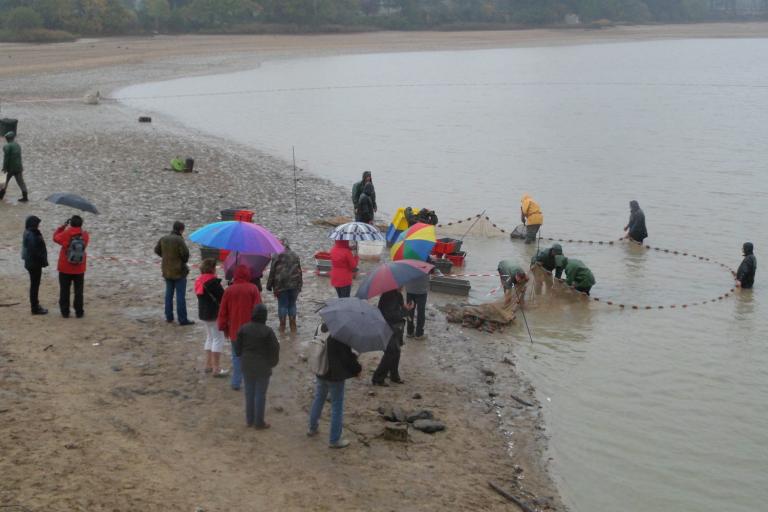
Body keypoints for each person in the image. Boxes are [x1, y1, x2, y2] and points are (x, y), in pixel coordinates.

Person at [308, 323, 362, 449]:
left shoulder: (320, 327)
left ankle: (312, 428)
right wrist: (357, 369)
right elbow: (346, 357)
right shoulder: (340, 333)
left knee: (318, 399)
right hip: (335, 375)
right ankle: (334, 439)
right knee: (337, 406)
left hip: (320, 370)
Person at [234, 304, 280, 429]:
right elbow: (275, 349)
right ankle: (259, 422)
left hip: (247, 365)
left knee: (249, 393)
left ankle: (249, 421)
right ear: (265, 316)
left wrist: (242, 356)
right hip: (263, 367)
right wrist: (272, 363)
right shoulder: (268, 331)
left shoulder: (243, 328)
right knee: (260, 394)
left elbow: (237, 349)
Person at [218, 265, 261, 391]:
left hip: (234, 331)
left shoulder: (228, 290)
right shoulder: (253, 289)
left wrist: (222, 326)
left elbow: (223, 312)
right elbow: (259, 310)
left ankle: (236, 382)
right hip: (251, 331)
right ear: (248, 275)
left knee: (237, 357)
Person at [154, 221, 194, 325]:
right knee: (180, 297)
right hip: (179, 272)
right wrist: (181, 261)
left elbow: (156, 250)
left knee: (168, 295)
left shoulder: (164, 238)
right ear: (181, 230)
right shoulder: (179, 240)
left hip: (166, 271)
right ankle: (182, 319)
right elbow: (185, 255)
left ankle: (169, 317)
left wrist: (166, 257)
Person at [372, 288, 412, 386]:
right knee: (391, 351)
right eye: (401, 283)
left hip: (394, 327)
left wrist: (405, 308)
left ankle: (394, 375)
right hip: (386, 327)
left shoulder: (397, 294)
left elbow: (398, 310)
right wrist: (405, 312)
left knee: (396, 351)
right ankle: (378, 378)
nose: (403, 286)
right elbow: (390, 315)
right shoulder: (389, 296)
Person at [53, 215, 89, 318]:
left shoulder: (65, 233)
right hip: (79, 268)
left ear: (71, 223)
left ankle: (65, 312)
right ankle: (79, 312)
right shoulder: (85, 235)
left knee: (64, 290)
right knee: (79, 291)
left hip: (65, 267)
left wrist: (62, 227)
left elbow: (55, 238)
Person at [195, 258, 227, 376]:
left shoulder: (199, 281)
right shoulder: (213, 283)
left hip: (204, 314)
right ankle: (216, 368)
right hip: (214, 314)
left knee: (209, 338)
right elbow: (223, 297)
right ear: (212, 269)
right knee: (218, 339)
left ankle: (208, 365)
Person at [266, 240, 303, 334]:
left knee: (282, 305)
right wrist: (300, 285)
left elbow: (272, 272)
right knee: (292, 304)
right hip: (295, 285)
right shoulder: (295, 255)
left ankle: (282, 327)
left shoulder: (276, 255)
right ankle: (293, 326)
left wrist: (269, 285)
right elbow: (300, 271)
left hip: (281, 285)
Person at [22, 215, 48, 315]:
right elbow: (35, 251)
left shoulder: (28, 232)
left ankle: (35, 305)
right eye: (37, 224)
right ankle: (35, 307)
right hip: (34, 264)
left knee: (34, 285)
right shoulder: (32, 235)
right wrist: (43, 260)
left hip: (30, 263)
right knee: (35, 285)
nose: (38, 226)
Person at [0, 131, 28, 202]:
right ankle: (25, 197)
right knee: (21, 182)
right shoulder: (18, 145)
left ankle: (1, 196)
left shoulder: (7, 146)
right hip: (19, 167)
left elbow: (6, 158)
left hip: (10, 168)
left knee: (4, 182)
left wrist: (4, 167)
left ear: (7, 139)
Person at [406, 269, 430, 340]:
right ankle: (419, 334)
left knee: (409, 311)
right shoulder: (427, 259)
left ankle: (409, 332)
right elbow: (432, 270)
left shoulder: (407, 260)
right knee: (421, 312)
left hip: (410, 289)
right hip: (422, 291)